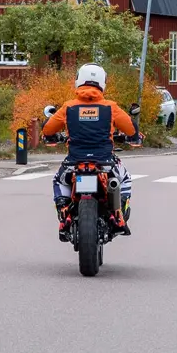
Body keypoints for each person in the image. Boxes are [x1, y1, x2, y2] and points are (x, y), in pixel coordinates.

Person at [41, 63, 138, 239]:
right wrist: (134, 136)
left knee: (58, 180)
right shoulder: (110, 107)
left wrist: (51, 135)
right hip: (105, 163)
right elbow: (131, 129)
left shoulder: (68, 107)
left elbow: (47, 130)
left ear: (78, 80)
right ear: (103, 82)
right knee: (125, 178)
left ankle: (64, 211)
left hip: (74, 162)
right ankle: (118, 214)